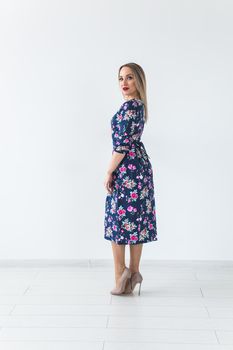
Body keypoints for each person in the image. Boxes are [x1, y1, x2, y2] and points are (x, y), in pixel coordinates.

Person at [103, 62, 158, 296]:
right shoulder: (139, 107)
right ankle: (133, 273)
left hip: (127, 170)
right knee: (134, 221)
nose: (124, 83)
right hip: (140, 168)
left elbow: (122, 146)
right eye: (120, 78)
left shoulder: (129, 108)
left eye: (130, 78)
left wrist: (109, 171)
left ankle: (120, 276)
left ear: (139, 81)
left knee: (118, 222)